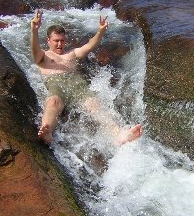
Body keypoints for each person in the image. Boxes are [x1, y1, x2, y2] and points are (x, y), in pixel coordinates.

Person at [30, 9, 143, 145]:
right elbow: (34, 49)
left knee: (93, 104)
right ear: (48, 40)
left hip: (77, 85)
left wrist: (100, 32)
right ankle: (47, 132)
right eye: (56, 41)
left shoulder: (71, 54)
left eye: (62, 40)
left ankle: (120, 134)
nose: (59, 44)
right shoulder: (43, 56)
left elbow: (89, 46)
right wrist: (34, 31)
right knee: (53, 101)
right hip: (56, 85)